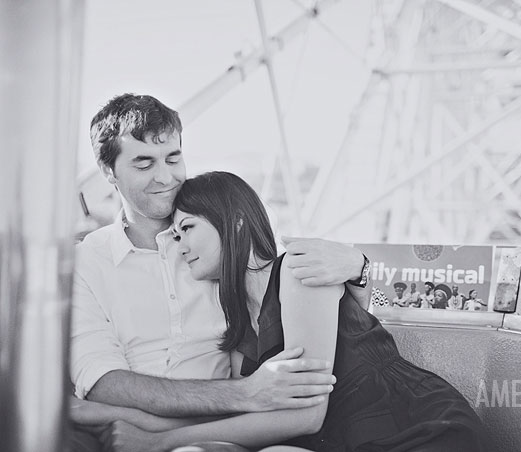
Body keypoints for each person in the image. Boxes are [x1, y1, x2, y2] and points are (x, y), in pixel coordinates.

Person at [75, 172, 487, 451]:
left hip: (412, 428)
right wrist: (111, 414)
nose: (179, 247)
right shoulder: (237, 325)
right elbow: (245, 411)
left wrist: (157, 442)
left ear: (235, 224)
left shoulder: (299, 269)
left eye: (188, 229)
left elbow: (305, 415)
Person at [70, 94, 372, 448]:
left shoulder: (225, 235)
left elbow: (306, 307)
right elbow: (102, 380)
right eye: (143, 163)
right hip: (145, 422)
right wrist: (246, 393)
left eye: (173, 158)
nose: (165, 176)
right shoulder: (86, 262)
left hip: (221, 432)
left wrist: (359, 268)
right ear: (108, 171)